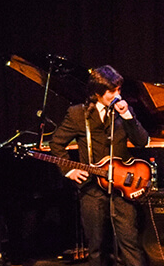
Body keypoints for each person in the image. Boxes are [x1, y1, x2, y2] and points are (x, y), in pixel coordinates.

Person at [50, 65, 150, 266]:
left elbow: (142, 141)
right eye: (111, 91)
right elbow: (56, 143)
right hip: (92, 189)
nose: (117, 95)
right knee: (96, 247)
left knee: (130, 243)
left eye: (118, 90)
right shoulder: (78, 114)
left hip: (122, 187)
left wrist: (128, 117)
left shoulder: (124, 111)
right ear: (97, 93)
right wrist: (69, 170)